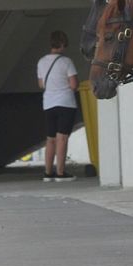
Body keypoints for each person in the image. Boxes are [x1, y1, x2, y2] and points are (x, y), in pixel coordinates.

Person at [36, 30, 78, 182]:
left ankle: (48, 173)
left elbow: (41, 84)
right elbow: (73, 85)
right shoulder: (66, 62)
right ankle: (60, 173)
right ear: (62, 44)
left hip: (48, 103)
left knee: (50, 139)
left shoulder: (41, 62)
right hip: (66, 103)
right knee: (62, 138)